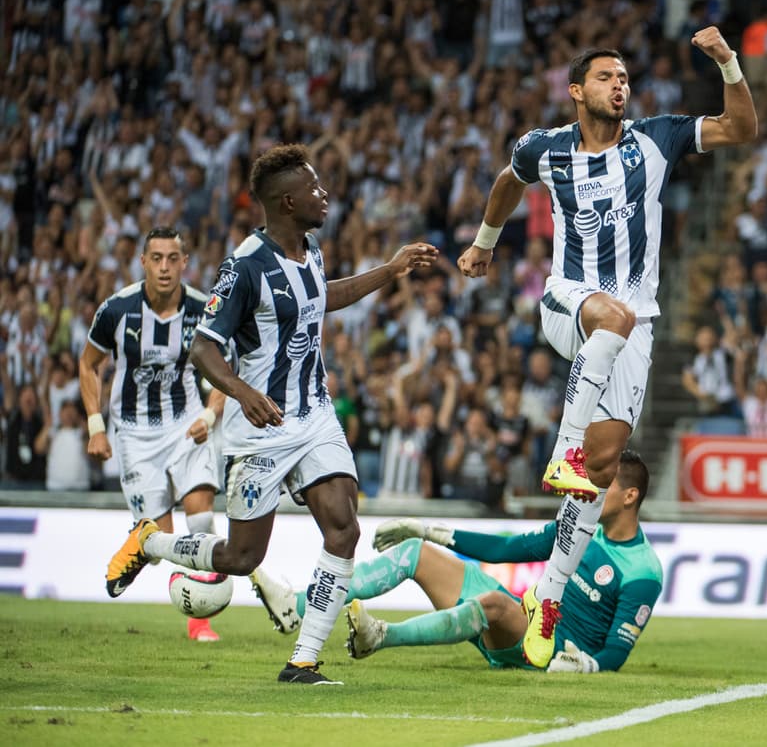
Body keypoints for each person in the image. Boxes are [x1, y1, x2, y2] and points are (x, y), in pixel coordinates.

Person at [456, 27, 756, 666]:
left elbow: (740, 129)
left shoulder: (657, 138)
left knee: (600, 468)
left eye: (624, 78)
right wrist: (485, 240)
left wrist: (728, 62)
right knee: (611, 314)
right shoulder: (545, 148)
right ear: (576, 91)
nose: (619, 86)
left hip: (636, 330)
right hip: (571, 301)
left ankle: (549, 600)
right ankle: (565, 447)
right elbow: (510, 181)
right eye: (605, 77)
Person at [104, 144, 438, 684]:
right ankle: (151, 540)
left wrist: (391, 269)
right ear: (287, 201)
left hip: (314, 417)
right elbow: (205, 348)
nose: (323, 193)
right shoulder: (245, 267)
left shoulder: (310, 248)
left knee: (343, 528)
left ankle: (303, 660)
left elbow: (321, 297)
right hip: (260, 432)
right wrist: (241, 393)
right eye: (313, 187)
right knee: (239, 557)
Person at [250, 450, 661, 673]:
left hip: (552, 653)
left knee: (498, 604)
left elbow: (615, 653)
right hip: (522, 623)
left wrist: (584, 667)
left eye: (602, 487)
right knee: (416, 554)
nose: (588, 492)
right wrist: (428, 531)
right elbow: (504, 551)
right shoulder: (578, 525)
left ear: (629, 497)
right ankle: (295, 607)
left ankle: (381, 637)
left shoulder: (643, 571)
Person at [80, 226, 229, 642]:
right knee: (160, 542)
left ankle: (199, 621)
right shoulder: (117, 309)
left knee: (201, 514)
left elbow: (223, 374)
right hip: (132, 432)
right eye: (157, 258)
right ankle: (143, 540)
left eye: (172, 258)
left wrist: (211, 416)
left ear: (185, 263)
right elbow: (88, 364)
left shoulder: (204, 310)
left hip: (185, 424)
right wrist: (96, 426)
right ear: (143, 262)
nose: (165, 267)